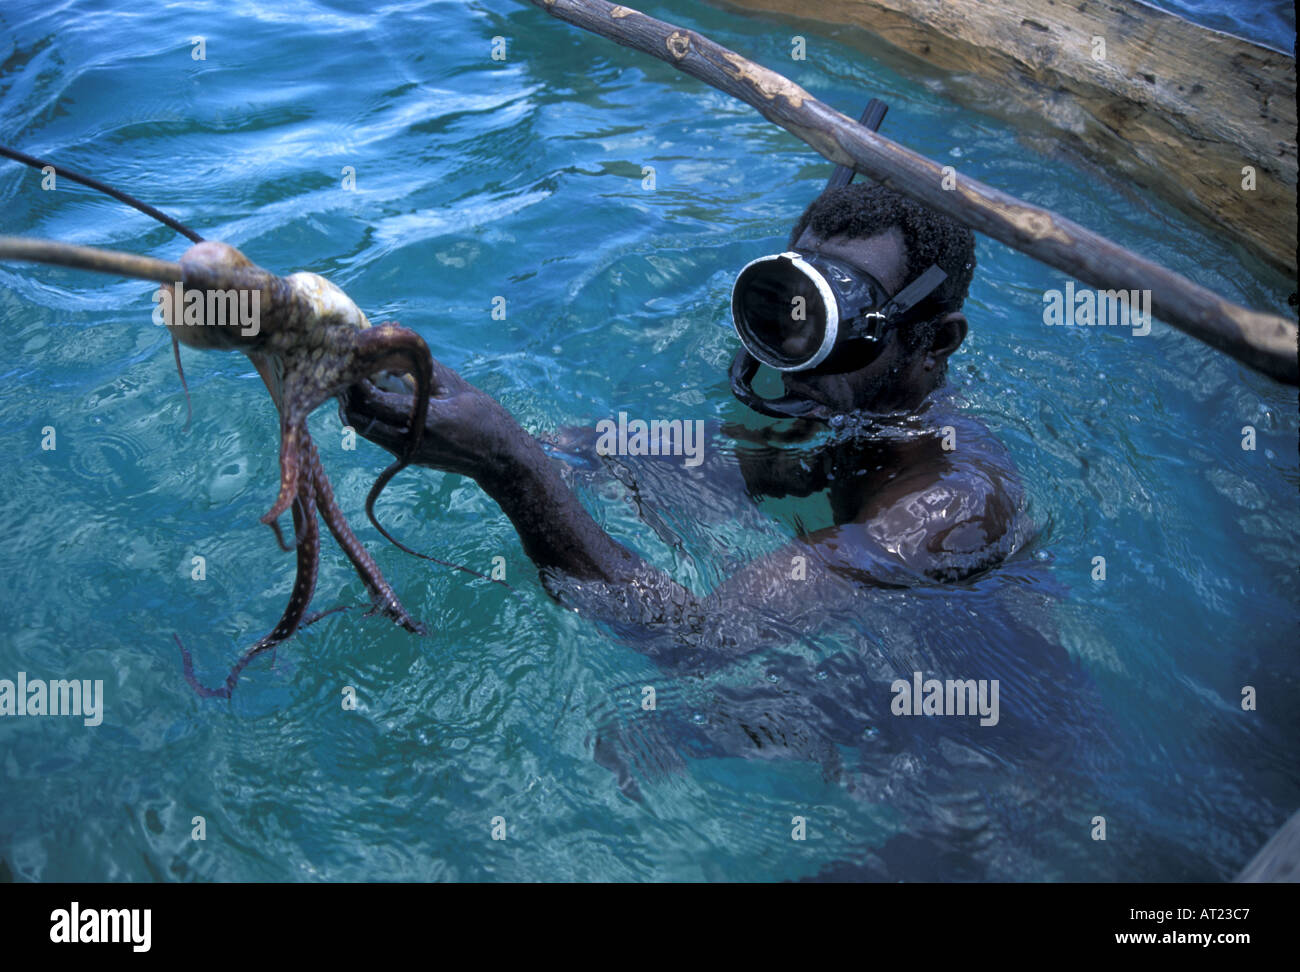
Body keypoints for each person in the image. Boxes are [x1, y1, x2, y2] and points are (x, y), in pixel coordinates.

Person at [340, 181, 1024, 652]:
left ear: (934, 343)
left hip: (979, 789)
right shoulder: (849, 420)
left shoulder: (947, 507)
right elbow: (656, 459)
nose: (795, 363)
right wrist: (515, 435)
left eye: (843, 325)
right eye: (790, 309)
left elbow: (695, 640)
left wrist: (508, 465)